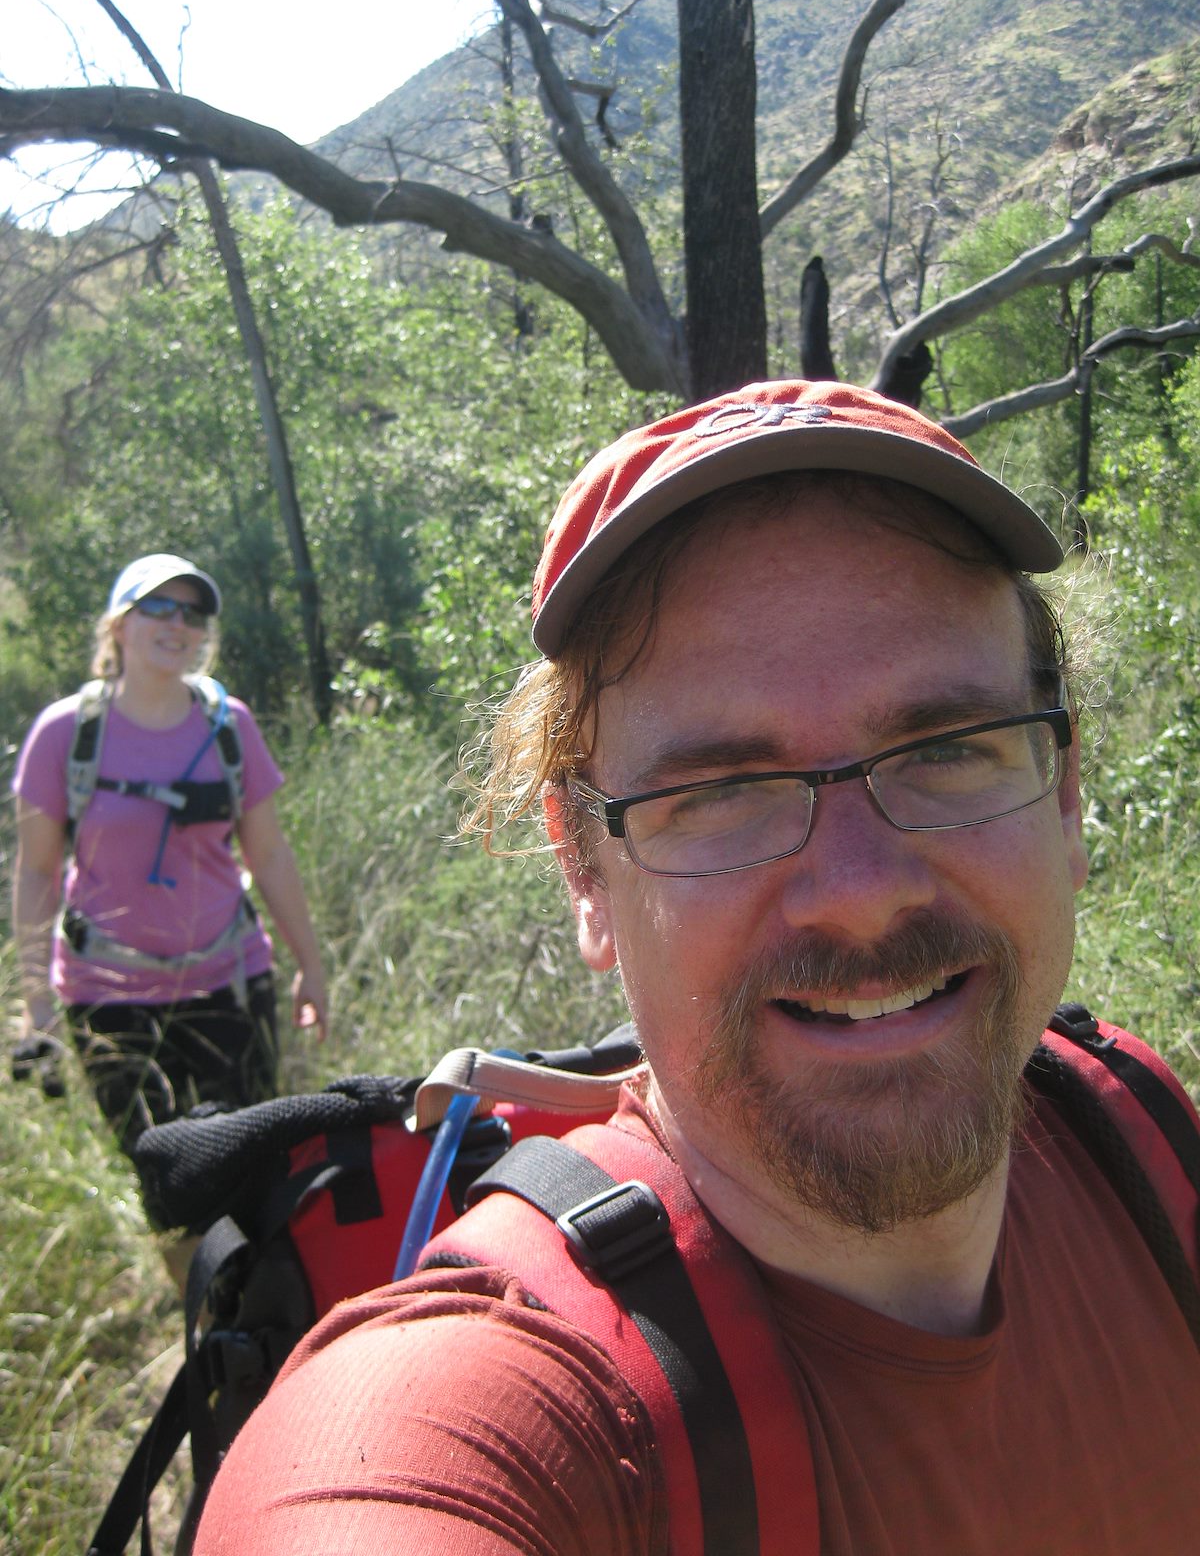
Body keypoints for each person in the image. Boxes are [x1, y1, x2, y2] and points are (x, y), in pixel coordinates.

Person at [195, 383, 1200, 1554]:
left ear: (1067, 793)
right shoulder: (483, 1409)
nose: (862, 886)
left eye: (947, 749)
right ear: (585, 871)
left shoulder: (1138, 1144)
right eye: (718, 789)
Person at [11, 552, 327, 1157]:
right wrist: (36, 1002)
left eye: (192, 613)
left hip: (229, 984)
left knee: (254, 1171)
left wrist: (309, 966)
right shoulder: (63, 734)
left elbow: (270, 856)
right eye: (157, 606)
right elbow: (36, 871)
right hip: (107, 999)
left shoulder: (228, 726)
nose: (177, 624)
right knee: (162, 1180)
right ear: (118, 626)